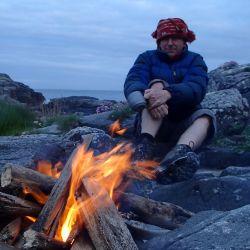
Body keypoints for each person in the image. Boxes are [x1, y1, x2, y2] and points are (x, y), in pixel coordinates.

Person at [124, 18, 216, 184]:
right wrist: (147, 99)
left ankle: (179, 154)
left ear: (185, 40)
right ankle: (144, 148)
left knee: (206, 117)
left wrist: (168, 93)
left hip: (183, 122)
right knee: (156, 84)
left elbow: (196, 87)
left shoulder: (195, 60)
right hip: (151, 121)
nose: (170, 43)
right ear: (158, 41)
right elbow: (134, 80)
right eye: (165, 39)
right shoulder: (146, 58)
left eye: (175, 38)